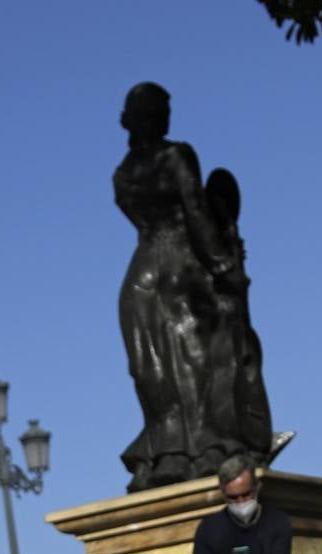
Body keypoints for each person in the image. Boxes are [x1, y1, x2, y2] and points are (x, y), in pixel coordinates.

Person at [114, 81, 271, 490]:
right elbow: (196, 213)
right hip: (181, 271)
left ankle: (166, 455)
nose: (167, 117)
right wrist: (224, 265)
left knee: (152, 368)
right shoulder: (176, 156)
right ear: (151, 116)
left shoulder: (123, 175)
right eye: (162, 109)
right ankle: (208, 450)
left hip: (140, 275)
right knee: (198, 361)